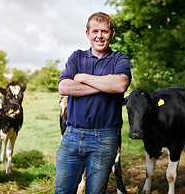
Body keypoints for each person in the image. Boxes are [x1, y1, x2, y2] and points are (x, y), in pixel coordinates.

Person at [55, 12, 132, 194]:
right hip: (72, 134)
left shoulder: (119, 59)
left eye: (104, 31)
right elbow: (64, 87)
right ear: (87, 33)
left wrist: (83, 78)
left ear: (112, 34)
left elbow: (121, 84)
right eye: (95, 31)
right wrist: (106, 85)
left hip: (104, 138)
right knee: (62, 191)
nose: (99, 36)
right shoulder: (77, 57)